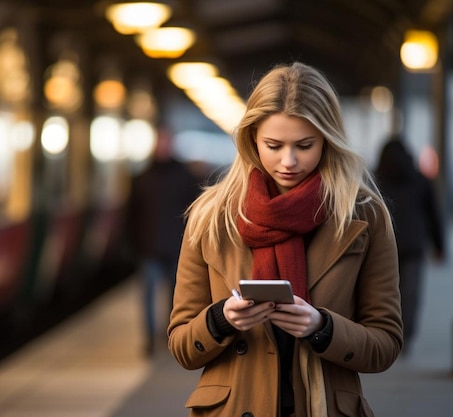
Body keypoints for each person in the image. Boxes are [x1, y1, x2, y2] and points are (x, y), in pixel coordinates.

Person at [167, 62, 403, 417]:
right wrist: (221, 319)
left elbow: (385, 343)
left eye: (304, 145)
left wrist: (322, 328)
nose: (289, 161)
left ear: (328, 139)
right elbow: (182, 345)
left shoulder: (363, 216)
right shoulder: (211, 217)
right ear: (251, 138)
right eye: (273, 145)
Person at [128, 126, 201, 356]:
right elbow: (131, 214)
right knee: (148, 297)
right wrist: (133, 243)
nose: (162, 146)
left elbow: (195, 213)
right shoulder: (141, 177)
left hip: (178, 247)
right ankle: (149, 340)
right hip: (149, 248)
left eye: (166, 142)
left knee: (176, 298)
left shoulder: (186, 177)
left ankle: (171, 336)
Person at [375, 136, 445, 353]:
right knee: (410, 294)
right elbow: (434, 215)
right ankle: (405, 337)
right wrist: (439, 246)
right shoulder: (421, 180)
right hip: (413, 246)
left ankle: (387, 333)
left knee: (385, 292)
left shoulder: (376, 180)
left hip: (384, 245)